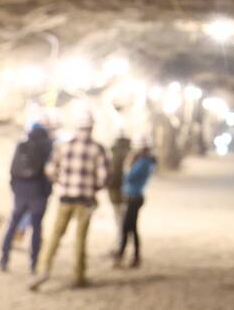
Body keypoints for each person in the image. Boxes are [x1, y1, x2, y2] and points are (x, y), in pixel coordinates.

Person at [29, 108, 108, 291]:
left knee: (55, 236)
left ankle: (43, 270)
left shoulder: (63, 146)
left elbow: (49, 169)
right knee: (80, 239)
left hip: (65, 198)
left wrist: (61, 182)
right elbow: (103, 177)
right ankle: (78, 276)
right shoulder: (97, 149)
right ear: (92, 127)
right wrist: (93, 188)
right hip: (85, 201)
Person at [0, 121, 52, 273]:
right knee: (36, 229)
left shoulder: (21, 146)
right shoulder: (46, 147)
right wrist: (46, 193)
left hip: (20, 194)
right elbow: (48, 175)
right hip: (38, 194)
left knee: (12, 226)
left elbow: (12, 171)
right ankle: (34, 263)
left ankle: (4, 259)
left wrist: (16, 190)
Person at [114, 136, 157, 269]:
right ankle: (133, 256)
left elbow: (130, 176)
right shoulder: (143, 160)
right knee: (131, 228)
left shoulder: (144, 162)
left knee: (127, 228)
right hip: (132, 196)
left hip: (134, 198)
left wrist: (127, 165)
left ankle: (123, 255)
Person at [105, 132, 132, 244]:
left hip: (117, 190)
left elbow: (115, 174)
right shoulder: (129, 153)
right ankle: (122, 241)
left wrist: (109, 184)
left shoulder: (117, 154)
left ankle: (121, 242)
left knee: (119, 217)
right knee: (123, 216)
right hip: (126, 190)